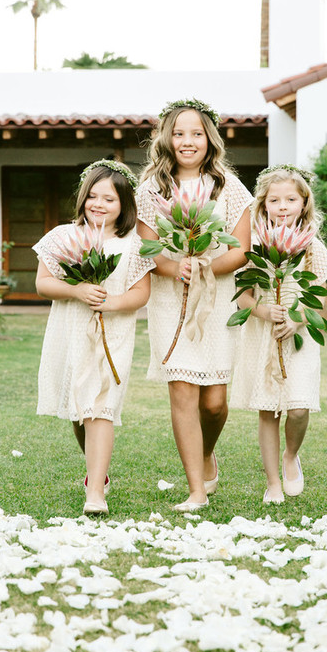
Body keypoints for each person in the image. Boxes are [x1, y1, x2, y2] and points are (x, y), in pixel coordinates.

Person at [136, 98, 251, 511]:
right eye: (179, 133)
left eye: (196, 133)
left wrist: (204, 267)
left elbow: (242, 250)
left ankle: (206, 453)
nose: (188, 141)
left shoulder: (228, 187)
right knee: (183, 393)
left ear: (209, 139)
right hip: (170, 301)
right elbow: (147, 249)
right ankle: (196, 490)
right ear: (167, 139)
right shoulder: (151, 189)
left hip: (216, 299)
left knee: (215, 403)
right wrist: (175, 268)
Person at [33, 159, 152, 516]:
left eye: (109, 199)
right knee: (79, 411)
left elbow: (141, 293)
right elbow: (43, 284)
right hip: (71, 332)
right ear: (83, 197)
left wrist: (110, 302)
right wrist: (77, 290)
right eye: (93, 197)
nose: (99, 204)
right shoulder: (62, 236)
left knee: (100, 408)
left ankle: (95, 492)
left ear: (124, 204)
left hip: (113, 335)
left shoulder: (133, 245)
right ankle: (96, 471)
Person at [230, 164, 327, 505]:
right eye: (274, 200)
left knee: (299, 407)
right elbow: (243, 296)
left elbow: (319, 298)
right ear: (263, 204)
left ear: (304, 203)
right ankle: (273, 482)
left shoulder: (311, 247)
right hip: (262, 336)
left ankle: (291, 455)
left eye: (291, 199)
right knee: (268, 410)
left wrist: (296, 319)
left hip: (298, 336)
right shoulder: (254, 245)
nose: (282, 207)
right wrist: (263, 311)